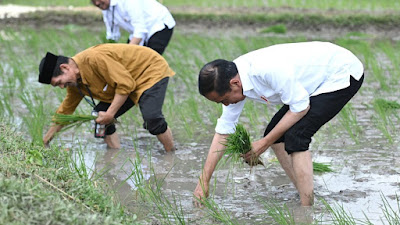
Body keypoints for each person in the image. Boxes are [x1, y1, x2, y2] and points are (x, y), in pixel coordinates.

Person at [193, 41, 364, 206]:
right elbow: (224, 130)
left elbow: (300, 108)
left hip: (340, 72)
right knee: (277, 136)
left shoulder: (266, 71)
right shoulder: (232, 77)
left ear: (235, 84)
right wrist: (204, 181)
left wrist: (263, 143)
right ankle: (304, 191)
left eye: (224, 100)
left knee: (297, 136)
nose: (226, 105)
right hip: (313, 81)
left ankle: (306, 210)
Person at [38, 43, 175, 151]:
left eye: (59, 82)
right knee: (100, 116)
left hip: (148, 71)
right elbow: (65, 112)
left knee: (152, 118)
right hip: (127, 81)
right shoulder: (76, 83)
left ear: (65, 68)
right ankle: (114, 153)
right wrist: (45, 142)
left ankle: (171, 153)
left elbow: (125, 84)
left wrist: (110, 113)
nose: (62, 87)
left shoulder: (94, 58)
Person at [91, 0, 175, 55]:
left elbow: (140, 29)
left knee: (148, 61)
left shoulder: (127, 1)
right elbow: (112, 35)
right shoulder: (106, 10)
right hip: (139, 31)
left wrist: (126, 54)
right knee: (131, 61)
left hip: (158, 24)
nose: (97, 3)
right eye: (93, 1)